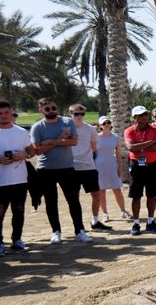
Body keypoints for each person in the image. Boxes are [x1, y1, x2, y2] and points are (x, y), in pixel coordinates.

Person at [30, 97, 92, 243]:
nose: (51, 111)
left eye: (53, 108)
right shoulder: (37, 127)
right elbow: (38, 151)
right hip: (46, 169)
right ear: (41, 110)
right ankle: (56, 231)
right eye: (47, 109)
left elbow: (74, 141)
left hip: (67, 167)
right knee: (51, 202)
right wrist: (60, 140)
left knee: (73, 200)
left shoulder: (67, 121)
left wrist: (51, 141)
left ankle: (79, 230)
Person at [0, 100, 36, 257]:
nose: (4, 116)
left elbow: (32, 151)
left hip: (19, 180)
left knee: (19, 211)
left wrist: (24, 155)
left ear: (12, 112)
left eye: (6, 112)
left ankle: (17, 240)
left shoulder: (21, 132)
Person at [124, 105, 156, 235]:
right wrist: (149, 142)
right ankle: (136, 224)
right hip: (137, 166)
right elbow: (131, 147)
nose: (144, 117)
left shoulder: (155, 129)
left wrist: (142, 146)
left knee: (152, 195)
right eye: (141, 115)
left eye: (145, 114)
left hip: (153, 165)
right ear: (135, 117)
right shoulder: (129, 131)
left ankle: (150, 221)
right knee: (136, 195)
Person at [68, 104, 110, 231]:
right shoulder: (66, 128)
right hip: (72, 168)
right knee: (74, 198)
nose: (79, 116)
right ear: (70, 114)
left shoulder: (90, 129)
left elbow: (94, 147)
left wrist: (85, 157)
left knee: (97, 195)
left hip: (89, 167)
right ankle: (78, 225)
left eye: (82, 114)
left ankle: (95, 221)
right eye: (76, 114)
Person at [95, 116, 131, 221]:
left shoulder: (115, 138)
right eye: (104, 123)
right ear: (100, 126)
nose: (106, 125)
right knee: (101, 191)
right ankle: (105, 213)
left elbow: (119, 154)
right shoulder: (95, 137)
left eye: (108, 122)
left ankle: (123, 211)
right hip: (99, 166)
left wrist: (120, 168)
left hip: (112, 165)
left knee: (117, 190)